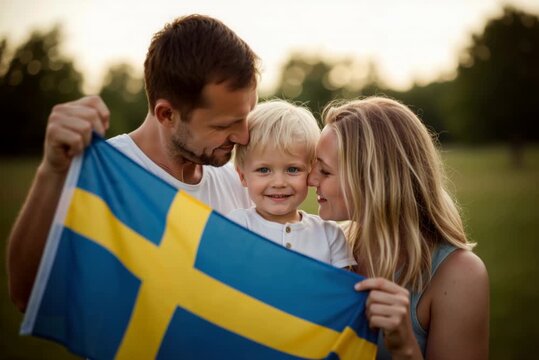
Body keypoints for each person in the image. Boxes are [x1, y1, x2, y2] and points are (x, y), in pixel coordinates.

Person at [7, 14, 259, 312]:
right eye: (224, 125)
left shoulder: (238, 183)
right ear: (167, 114)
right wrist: (52, 171)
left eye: (247, 116)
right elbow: (29, 295)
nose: (244, 137)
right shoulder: (101, 178)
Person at [308, 96, 489, 359]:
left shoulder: (459, 275)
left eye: (324, 171)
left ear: (372, 180)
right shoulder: (330, 244)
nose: (310, 178)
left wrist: (404, 347)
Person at [229, 100, 355, 268]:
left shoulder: (329, 234)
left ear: (310, 171)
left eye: (293, 169)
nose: (279, 183)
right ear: (243, 176)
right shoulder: (236, 226)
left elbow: (342, 290)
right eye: (264, 170)